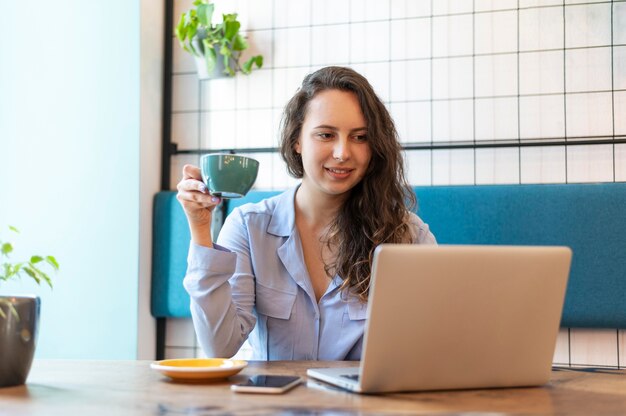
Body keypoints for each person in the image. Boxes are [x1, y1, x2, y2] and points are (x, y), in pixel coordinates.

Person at [176, 66, 436, 361]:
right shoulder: (249, 228)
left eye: (360, 137)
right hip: (274, 405)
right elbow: (219, 348)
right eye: (326, 134)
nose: (342, 152)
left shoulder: (408, 235)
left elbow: (429, 348)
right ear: (297, 140)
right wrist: (200, 229)